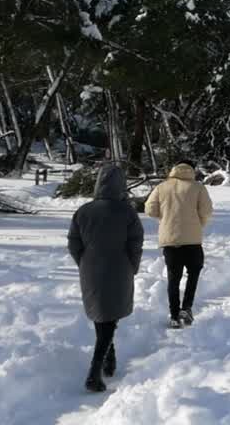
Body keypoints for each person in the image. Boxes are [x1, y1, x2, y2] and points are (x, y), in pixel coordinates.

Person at [67, 164, 143, 393]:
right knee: (109, 317)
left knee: (102, 315)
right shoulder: (127, 212)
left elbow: (73, 242)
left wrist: (84, 262)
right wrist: (132, 266)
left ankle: (110, 359)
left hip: (90, 268)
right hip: (119, 267)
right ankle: (94, 372)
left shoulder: (83, 211)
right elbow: (135, 243)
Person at [145, 159, 213, 328]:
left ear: (174, 169)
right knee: (194, 273)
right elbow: (206, 211)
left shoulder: (162, 187)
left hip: (170, 241)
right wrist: (199, 224)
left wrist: (165, 218)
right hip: (193, 241)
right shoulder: (198, 187)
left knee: (173, 278)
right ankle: (187, 307)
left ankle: (174, 315)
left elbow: (150, 209)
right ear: (192, 170)